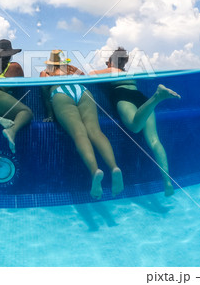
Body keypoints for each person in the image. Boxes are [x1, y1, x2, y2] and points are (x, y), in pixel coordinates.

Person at [90, 47, 180, 197]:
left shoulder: (112, 70)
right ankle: (167, 182)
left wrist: (107, 68)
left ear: (111, 61)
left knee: (134, 126)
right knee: (154, 140)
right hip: (140, 97)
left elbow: (91, 75)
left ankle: (157, 97)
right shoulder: (127, 74)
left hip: (123, 94)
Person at [40, 50, 123, 200]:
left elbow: (46, 97)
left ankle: (95, 171)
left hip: (60, 92)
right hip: (83, 91)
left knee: (79, 134)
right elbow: (87, 78)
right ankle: (114, 167)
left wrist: (50, 115)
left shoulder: (45, 73)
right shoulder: (71, 68)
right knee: (95, 132)